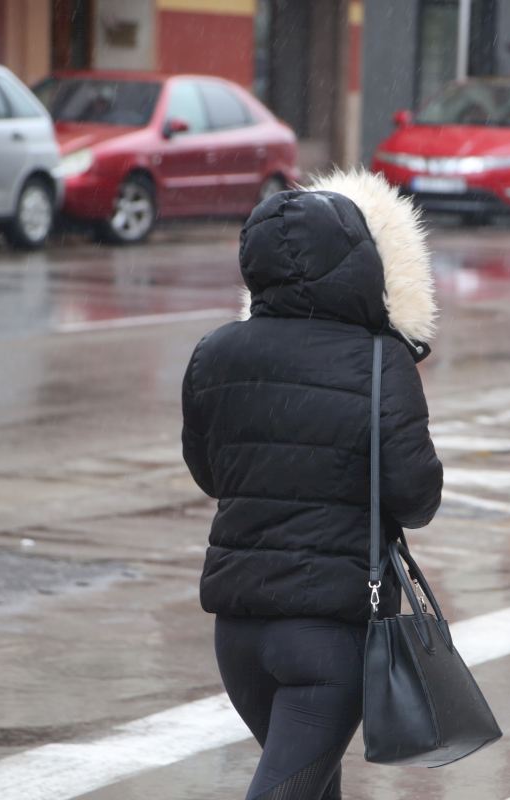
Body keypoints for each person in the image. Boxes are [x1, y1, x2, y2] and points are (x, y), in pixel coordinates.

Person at [180, 170, 443, 800]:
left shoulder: (214, 353)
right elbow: (417, 498)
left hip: (238, 632)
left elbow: (209, 474)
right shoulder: (380, 360)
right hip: (329, 638)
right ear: (361, 264)